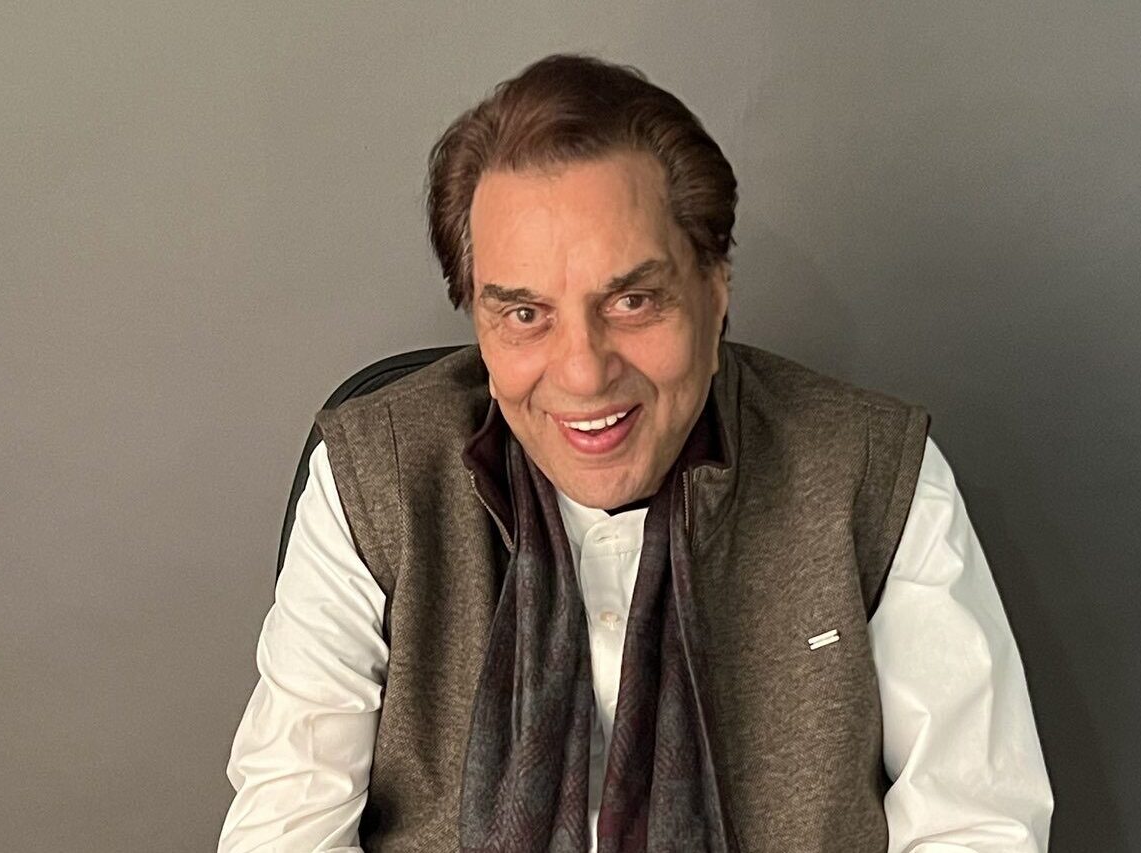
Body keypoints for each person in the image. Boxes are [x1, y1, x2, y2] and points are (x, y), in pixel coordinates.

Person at [220, 54, 1053, 852]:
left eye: (631, 301)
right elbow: (284, 829)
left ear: (714, 290)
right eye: (524, 315)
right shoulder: (371, 478)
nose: (584, 372)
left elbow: (978, 826)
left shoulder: (872, 475)